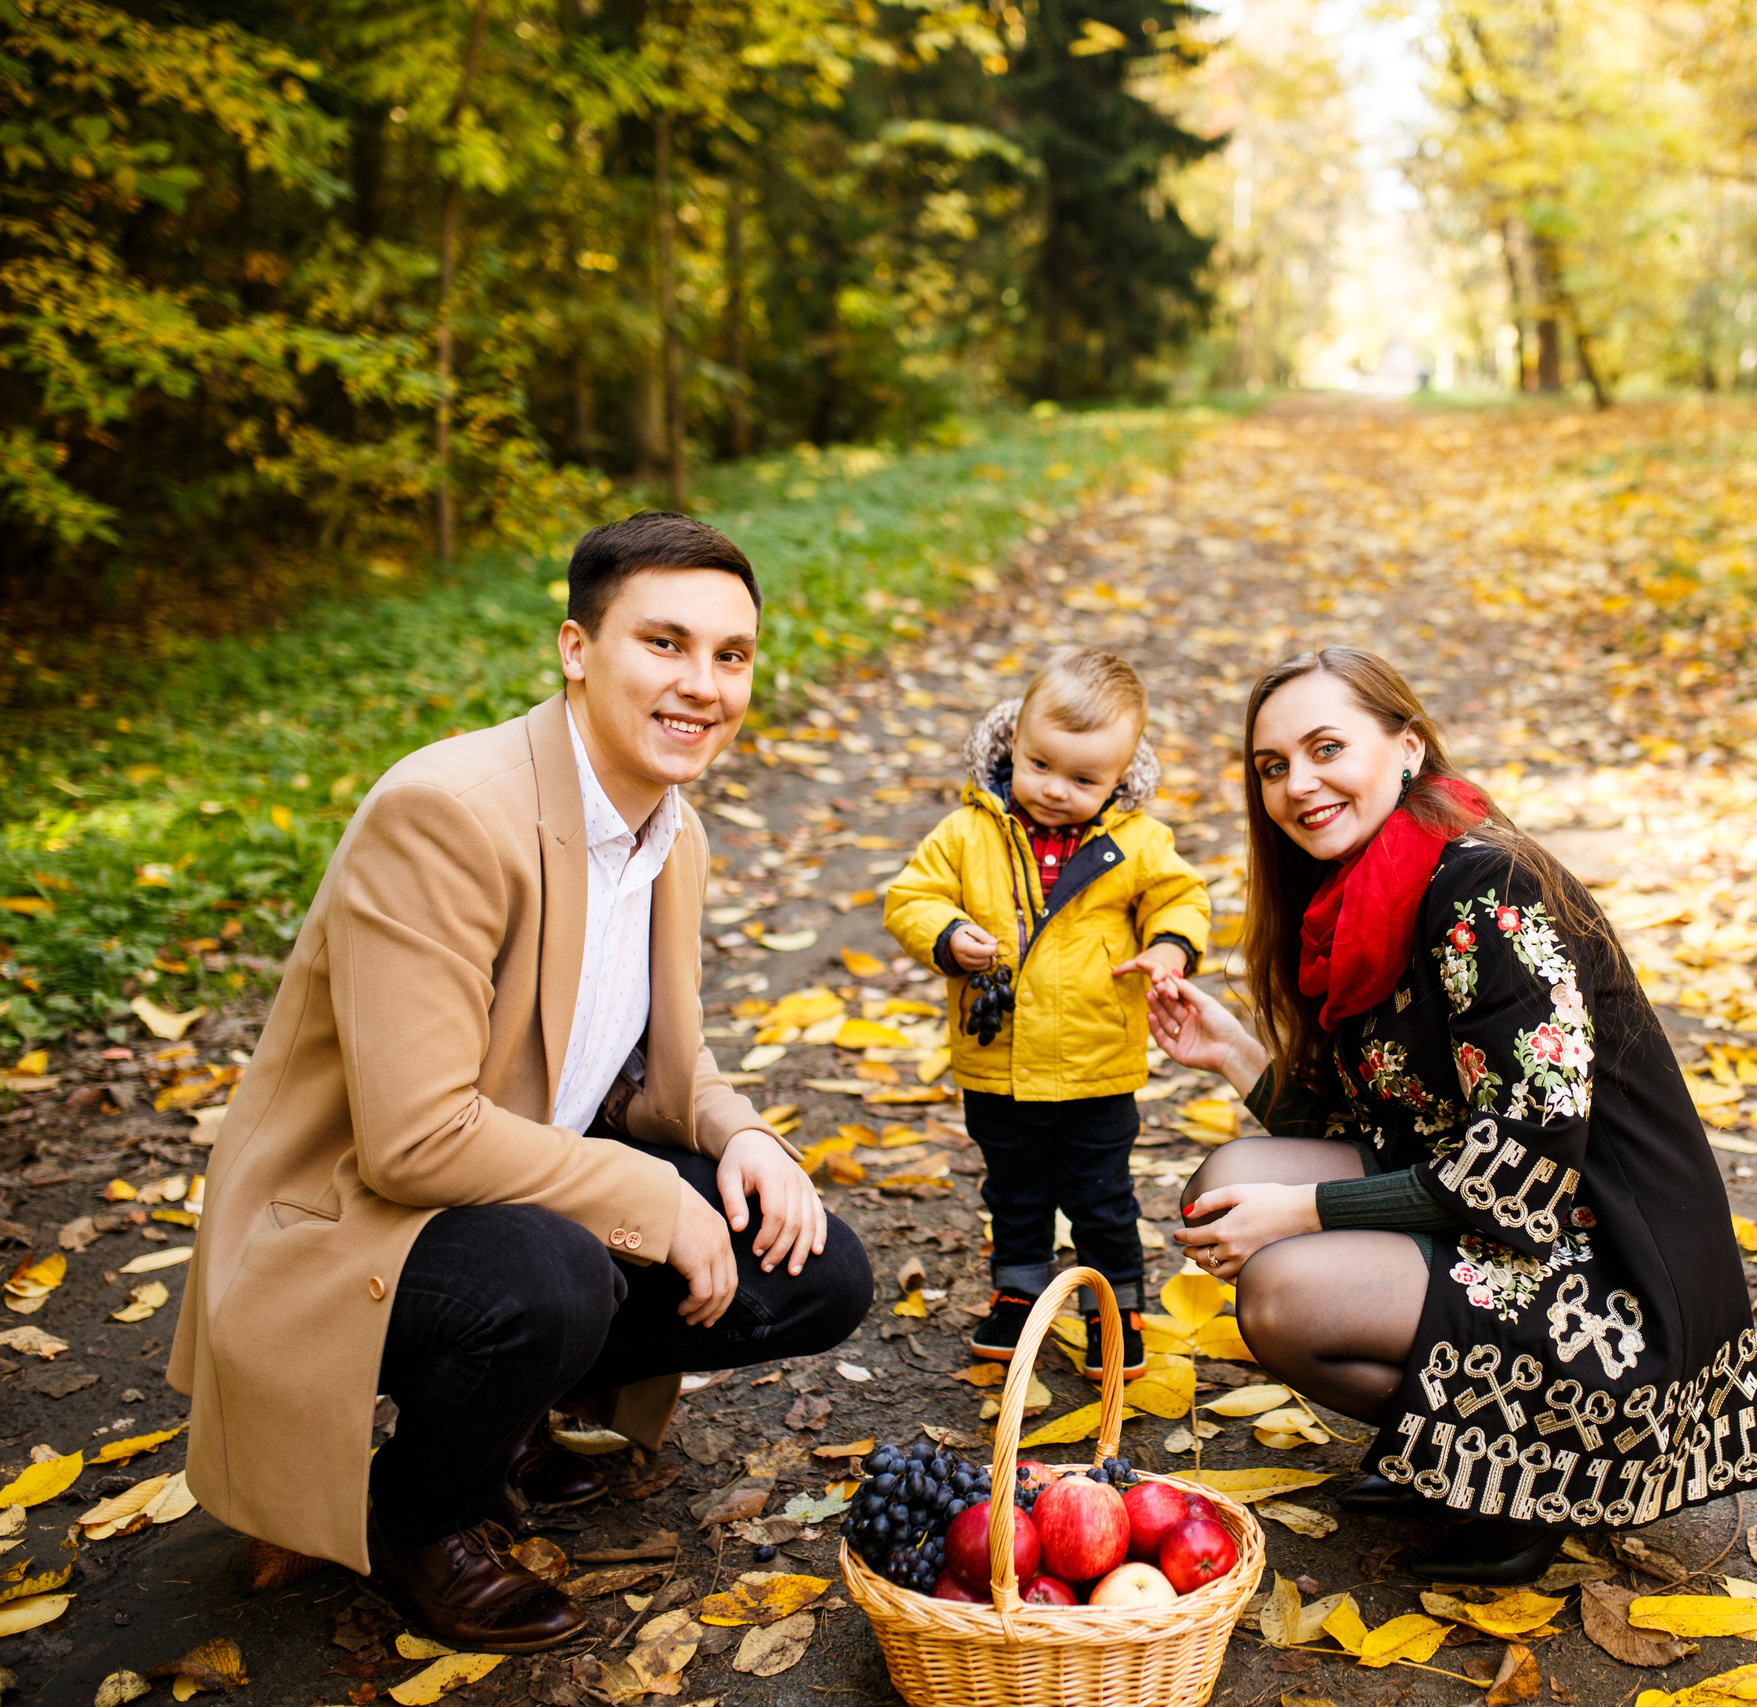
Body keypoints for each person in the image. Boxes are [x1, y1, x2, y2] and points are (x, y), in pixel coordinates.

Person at [169, 513, 874, 1653]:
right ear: (576, 649)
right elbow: (412, 1140)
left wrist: (740, 1138)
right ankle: (418, 1515)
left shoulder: (667, 828)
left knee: (815, 1268)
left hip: (513, 1189)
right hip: (348, 1218)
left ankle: (495, 1420)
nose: (703, 684)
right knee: (555, 1277)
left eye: (731, 655)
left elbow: (659, 1075)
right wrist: (655, 1203)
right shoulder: (447, 813)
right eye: (665, 643)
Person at [1146, 647, 1757, 1585]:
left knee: (1283, 1286)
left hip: (1614, 1286)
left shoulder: (1488, 888)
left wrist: (1307, 1211)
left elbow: (1519, 1164)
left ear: (1407, 746)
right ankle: (1449, 1449)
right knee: (1228, 1186)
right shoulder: (1361, 893)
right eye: (1273, 766)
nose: (1297, 784)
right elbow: (1387, 1127)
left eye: (1325, 748)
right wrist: (1232, 1051)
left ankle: (1517, 1493)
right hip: (1522, 1240)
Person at [884, 646, 1210, 1374]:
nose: (1056, 789)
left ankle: (1115, 1301)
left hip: (1098, 1060)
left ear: (1121, 776)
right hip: (997, 1058)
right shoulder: (968, 831)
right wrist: (945, 933)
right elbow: (911, 896)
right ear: (1013, 744)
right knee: (1014, 1187)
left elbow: (1182, 896)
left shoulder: (1135, 840)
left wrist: (1168, 949)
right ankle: (1020, 1291)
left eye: (1084, 778)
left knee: (1103, 1193)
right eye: (1040, 765)